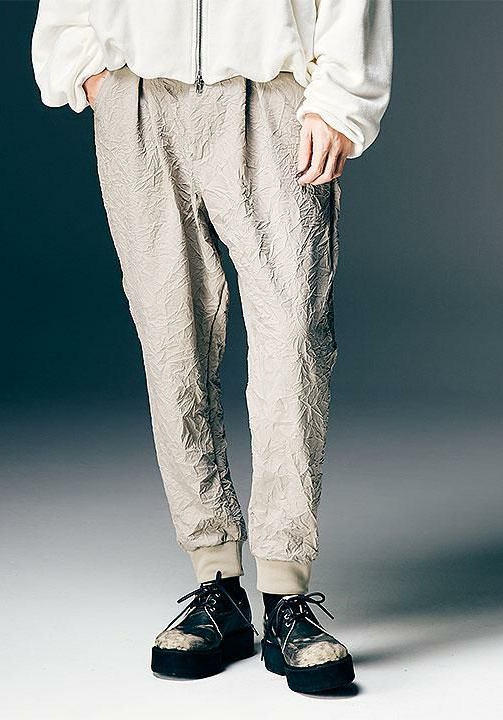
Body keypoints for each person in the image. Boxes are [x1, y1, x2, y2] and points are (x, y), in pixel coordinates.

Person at [31, 0, 393, 694]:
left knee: (294, 335)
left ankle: (286, 595)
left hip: (270, 93)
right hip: (140, 99)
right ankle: (216, 584)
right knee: (171, 338)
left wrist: (339, 100)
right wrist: (89, 72)